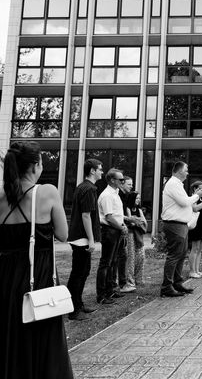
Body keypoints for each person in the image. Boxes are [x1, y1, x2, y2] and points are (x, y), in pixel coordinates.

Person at [0, 141, 74, 378]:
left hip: (6, 277)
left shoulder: (1, 197)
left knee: (11, 335)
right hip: (38, 274)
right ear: (34, 166)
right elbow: (63, 234)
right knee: (43, 335)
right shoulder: (47, 192)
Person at [160, 161, 202, 297]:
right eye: (186, 170)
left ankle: (177, 282)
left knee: (181, 255)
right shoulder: (173, 184)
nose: (187, 172)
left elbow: (185, 202)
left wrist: (195, 196)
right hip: (174, 224)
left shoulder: (177, 184)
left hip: (181, 224)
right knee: (174, 255)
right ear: (179, 170)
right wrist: (197, 195)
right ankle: (167, 286)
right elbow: (184, 202)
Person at [66, 158, 102, 321]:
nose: (102, 171)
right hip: (82, 238)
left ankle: (78, 304)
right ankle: (73, 310)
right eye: (100, 169)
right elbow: (86, 215)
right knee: (79, 273)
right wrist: (91, 239)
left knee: (82, 272)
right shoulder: (89, 189)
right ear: (93, 171)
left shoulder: (84, 187)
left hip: (80, 236)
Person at [96, 169, 129, 304]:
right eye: (120, 180)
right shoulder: (107, 195)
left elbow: (116, 215)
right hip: (110, 230)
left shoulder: (115, 193)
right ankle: (102, 294)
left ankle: (111, 290)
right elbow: (109, 217)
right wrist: (121, 227)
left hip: (116, 229)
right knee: (106, 262)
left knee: (114, 261)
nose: (123, 182)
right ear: (112, 180)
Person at [123, 191, 146, 291]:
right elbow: (131, 222)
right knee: (131, 258)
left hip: (139, 234)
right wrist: (136, 221)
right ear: (132, 199)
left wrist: (135, 221)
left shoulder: (139, 210)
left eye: (139, 198)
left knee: (141, 256)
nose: (138, 200)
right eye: (136, 198)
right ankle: (130, 281)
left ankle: (139, 279)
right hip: (130, 234)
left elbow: (144, 222)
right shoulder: (127, 209)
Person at [116, 176, 133, 293]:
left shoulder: (125, 196)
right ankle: (121, 284)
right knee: (120, 256)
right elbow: (116, 214)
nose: (131, 187)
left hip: (121, 227)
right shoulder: (117, 196)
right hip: (117, 228)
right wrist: (128, 219)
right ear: (122, 184)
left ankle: (122, 282)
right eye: (129, 184)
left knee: (123, 256)